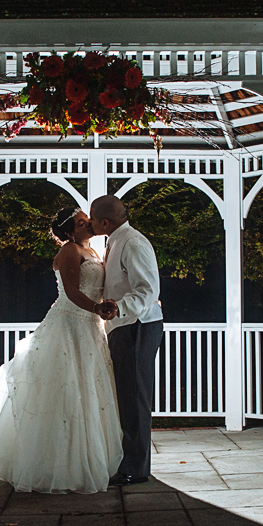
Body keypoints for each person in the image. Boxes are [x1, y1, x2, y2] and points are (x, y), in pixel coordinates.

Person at [0, 207, 123, 493]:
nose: (89, 225)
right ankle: (60, 465)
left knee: (89, 394)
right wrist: (96, 307)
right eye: (82, 223)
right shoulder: (70, 251)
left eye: (88, 220)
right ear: (71, 231)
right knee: (64, 393)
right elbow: (70, 291)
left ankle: (88, 458)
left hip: (91, 327)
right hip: (70, 325)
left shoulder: (94, 251)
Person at [88, 195, 164, 486]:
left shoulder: (132, 242)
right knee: (127, 396)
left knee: (135, 397)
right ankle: (130, 461)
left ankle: (135, 468)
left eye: (93, 219)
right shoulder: (113, 241)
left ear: (104, 222)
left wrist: (119, 307)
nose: (92, 224)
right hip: (124, 325)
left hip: (137, 326)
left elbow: (147, 289)